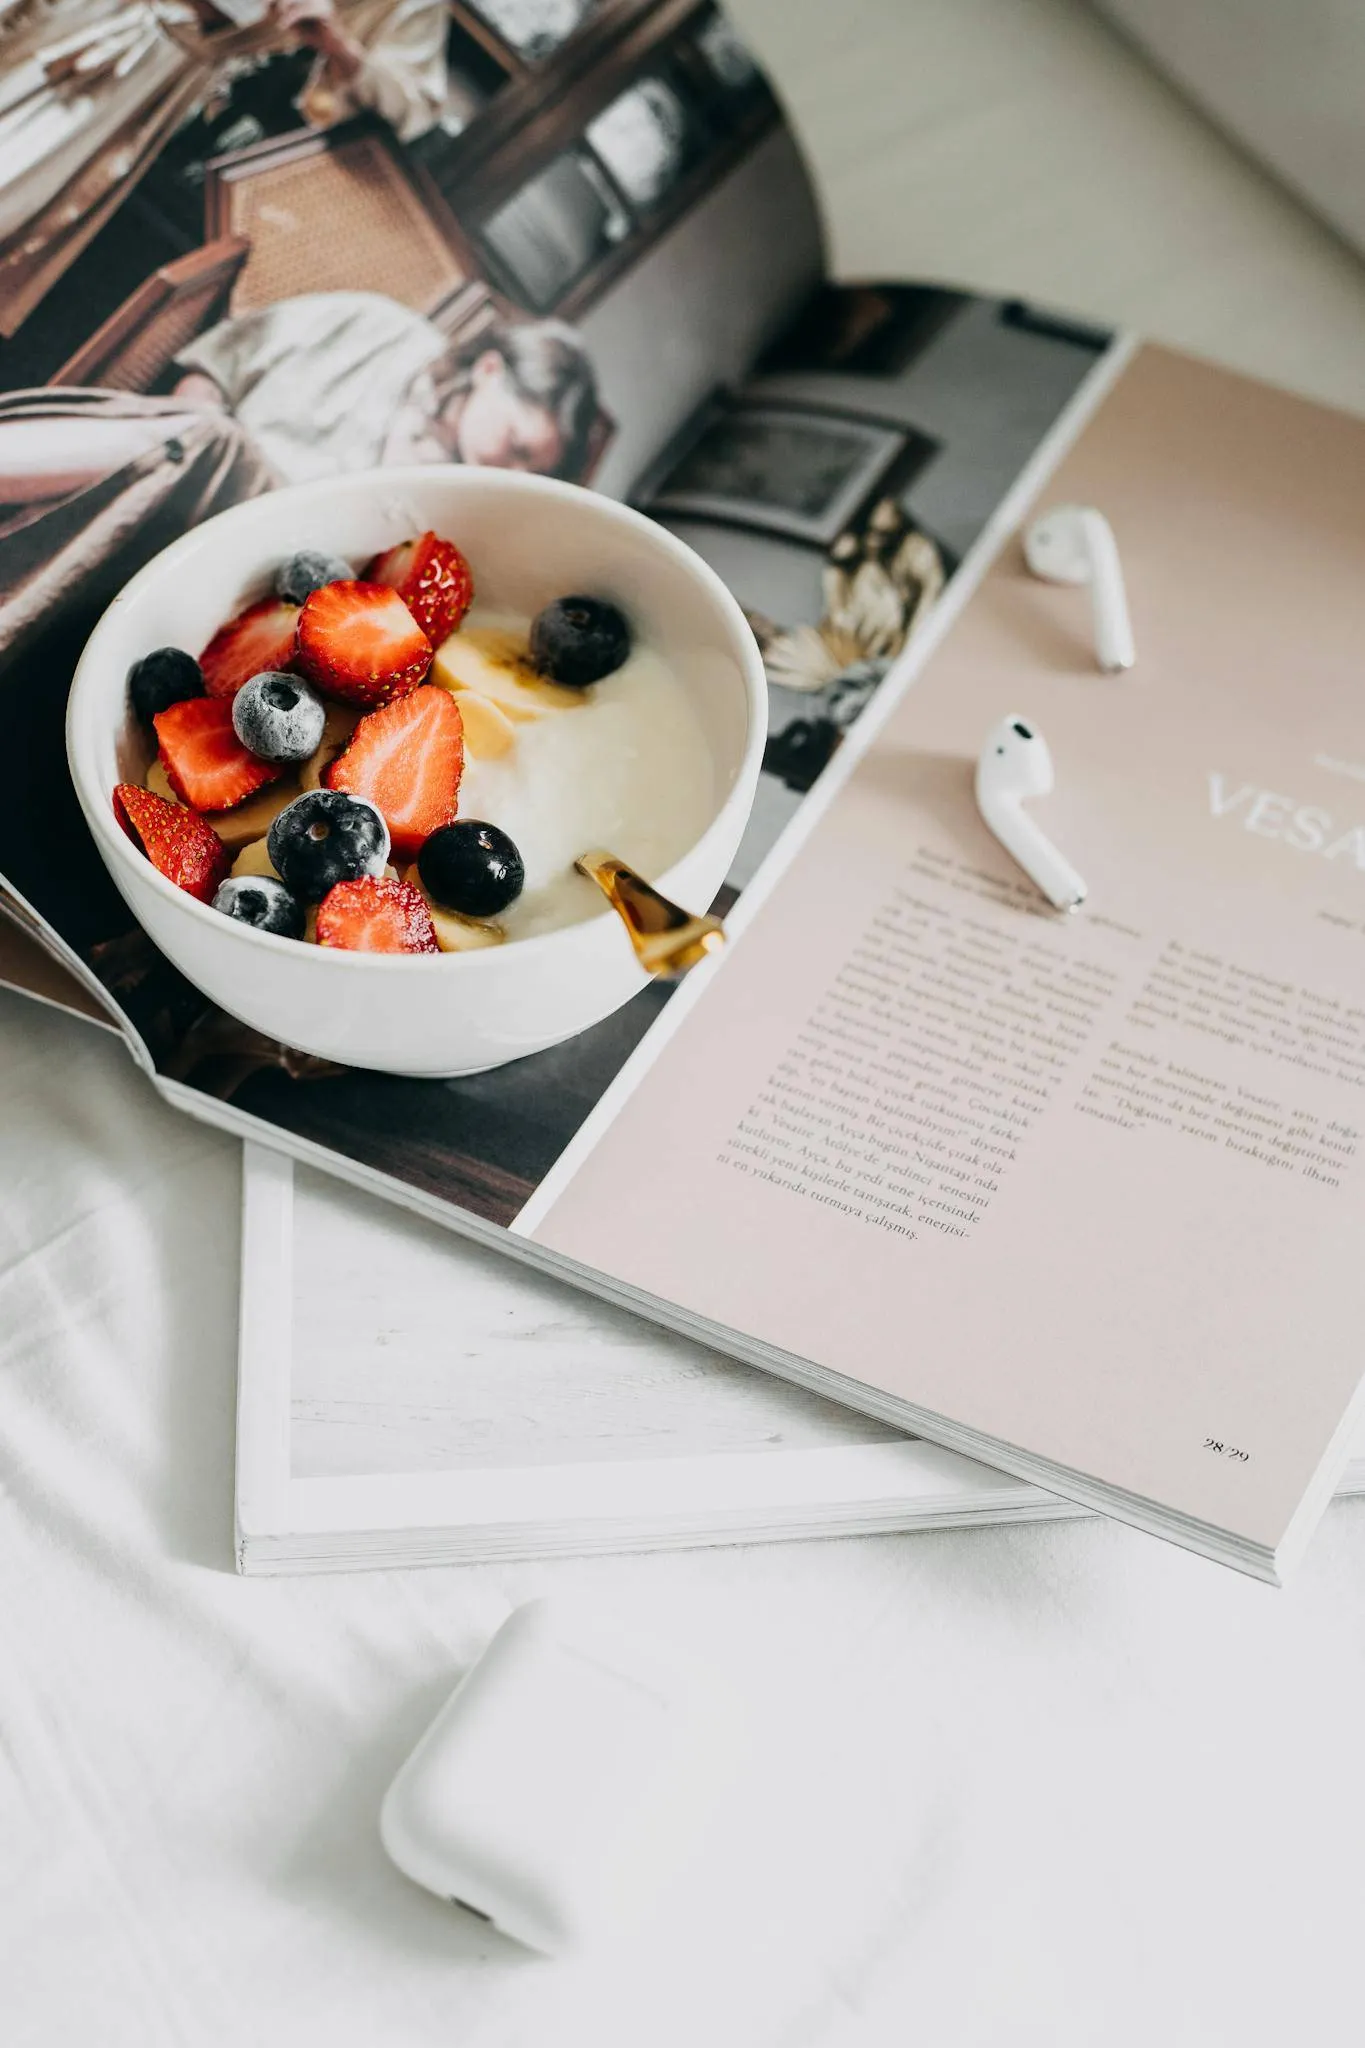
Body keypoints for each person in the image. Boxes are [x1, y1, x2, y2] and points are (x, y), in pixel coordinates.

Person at [0, 295, 601, 653]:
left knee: (208, 444)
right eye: (518, 445)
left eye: (529, 468)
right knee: (206, 440)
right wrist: (188, 447)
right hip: (182, 476)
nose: (510, 468)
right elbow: (217, 368)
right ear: (490, 370)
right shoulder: (378, 331)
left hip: (270, 577)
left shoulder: (463, 511)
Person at [0, 0, 451, 332]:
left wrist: (340, 46)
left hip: (177, 107)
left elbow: (410, 109)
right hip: (76, 27)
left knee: (32, 204)